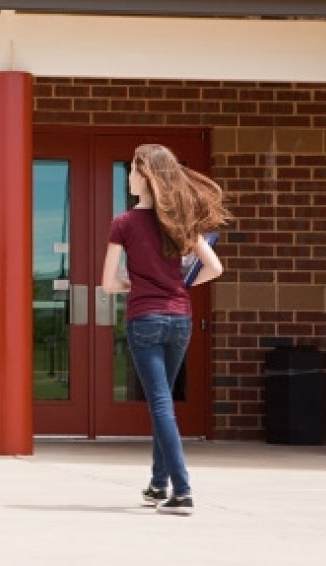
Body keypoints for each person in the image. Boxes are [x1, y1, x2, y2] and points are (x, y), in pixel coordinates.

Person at [100, 143, 230, 516]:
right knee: (164, 404)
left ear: (146, 176)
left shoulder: (123, 223)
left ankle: (183, 490)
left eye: (133, 169)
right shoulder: (181, 220)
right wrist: (181, 287)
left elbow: (108, 283)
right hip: (180, 320)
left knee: (160, 405)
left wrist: (133, 286)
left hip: (145, 319)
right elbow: (215, 268)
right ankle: (159, 484)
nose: (129, 176)